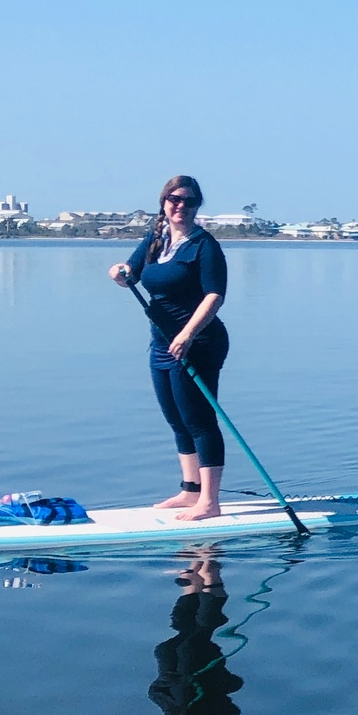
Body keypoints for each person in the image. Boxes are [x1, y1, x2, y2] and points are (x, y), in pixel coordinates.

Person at [109, 175, 231, 520]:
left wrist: (188, 334)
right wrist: (119, 273)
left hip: (199, 341)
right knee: (175, 418)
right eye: (175, 199)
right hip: (162, 342)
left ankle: (210, 502)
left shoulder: (204, 246)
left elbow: (215, 296)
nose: (181, 206)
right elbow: (130, 270)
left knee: (199, 420)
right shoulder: (156, 238)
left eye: (189, 202)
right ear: (164, 201)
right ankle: (190, 491)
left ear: (196, 207)